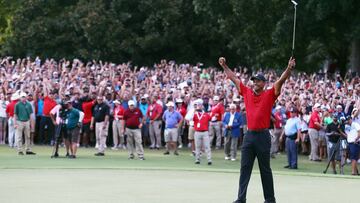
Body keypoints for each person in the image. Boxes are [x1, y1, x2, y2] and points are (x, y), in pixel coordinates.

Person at [220, 56, 295, 203]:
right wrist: (224, 66)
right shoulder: (247, 92)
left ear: (263, 83)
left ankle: (270, 199)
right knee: (245, 168)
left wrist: (289, 68)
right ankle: (241, 199)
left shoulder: (269, 94)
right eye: (253, 81)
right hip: (250, 135)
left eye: (258, 81)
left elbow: (281, 80)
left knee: (265, 170)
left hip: (263, 136)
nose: (255, 83)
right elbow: (234, 78)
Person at [192, 99, 212, 165]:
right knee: (197, 146)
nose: (199, 107)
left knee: (207, 146)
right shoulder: (194, 114)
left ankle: (209, 159)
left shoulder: (206, 114)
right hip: (197, 132)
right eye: (198, 105)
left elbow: (211, 118)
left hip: (205, 132)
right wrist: (194, 110)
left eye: (200, 105)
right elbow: (188, 118)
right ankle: (197, 159)